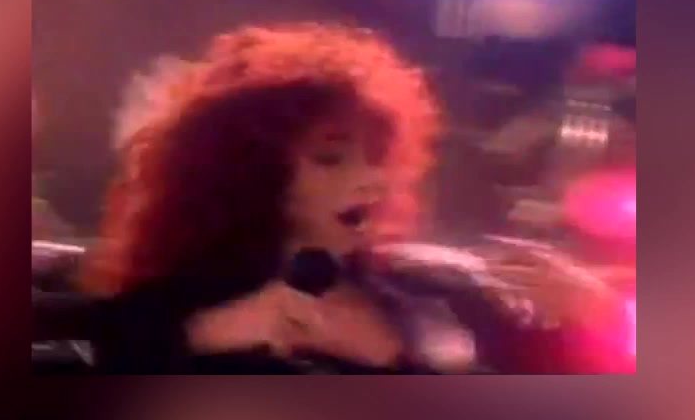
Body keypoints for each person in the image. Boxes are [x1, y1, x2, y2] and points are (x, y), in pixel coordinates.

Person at [33, 23, 625, 373]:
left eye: (378, 157)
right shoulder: (171, 304)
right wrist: (201, 335)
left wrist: (595, 317)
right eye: (331, 159)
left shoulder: (438, 287)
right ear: (255, 173)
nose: (372, 181)